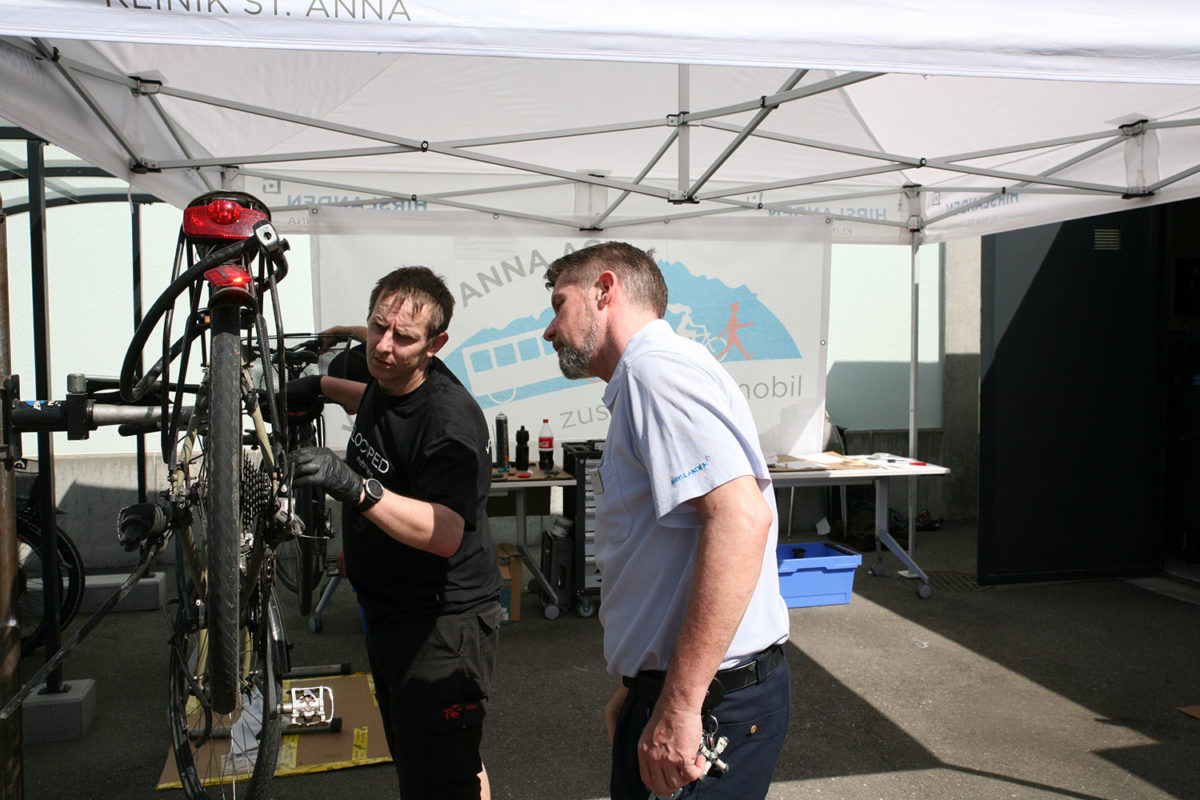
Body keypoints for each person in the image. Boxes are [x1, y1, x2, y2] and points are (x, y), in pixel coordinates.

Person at [541, 242, 791, 799]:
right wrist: (640, 683)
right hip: (685, 692)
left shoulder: (655, 373)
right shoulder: (651, 373)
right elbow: (669, 547)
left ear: (604, 291)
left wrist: (678, 702)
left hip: (708, 704)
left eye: (559, 305)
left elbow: (740, 520)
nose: (550, 331)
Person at [292, 266, 504, 799]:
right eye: (376, 327)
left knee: (438, 777)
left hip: (440, 626)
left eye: (404, 338)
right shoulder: (388, 379)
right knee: (443, 758)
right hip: (391, 613)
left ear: (437, 345)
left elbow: (445, 532)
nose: (383, 346)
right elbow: (363, 395)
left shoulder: (448, 422)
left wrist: (357, 489)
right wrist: (316, 385)